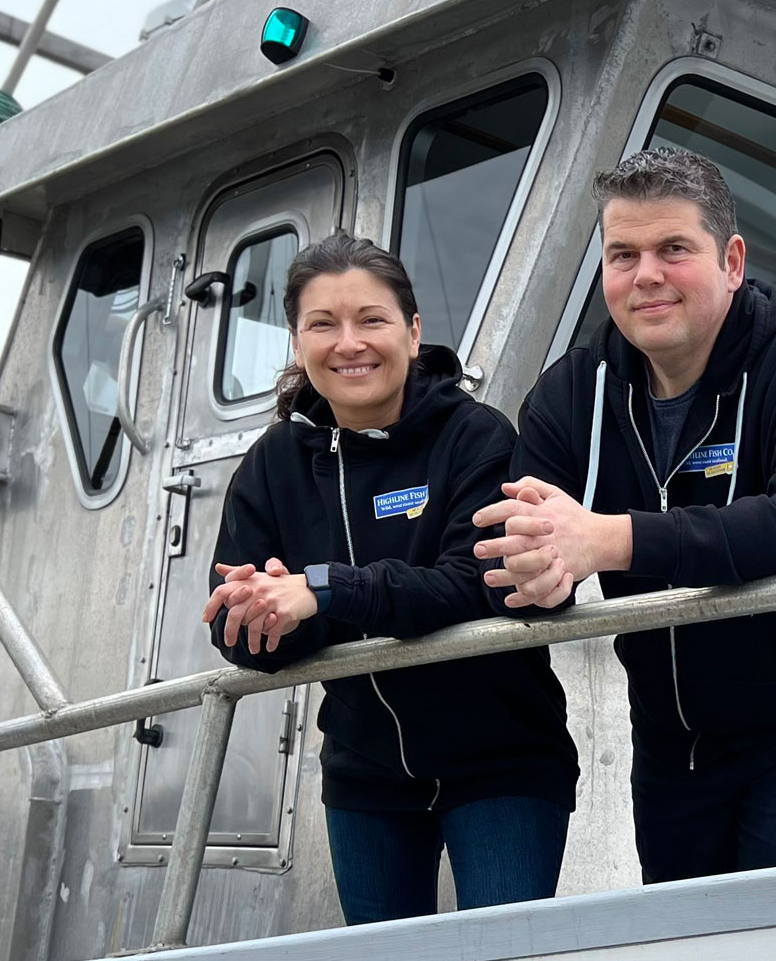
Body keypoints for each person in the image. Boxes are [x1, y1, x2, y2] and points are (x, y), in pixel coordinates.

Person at [472, 148, 776, 881]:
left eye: (674, 249)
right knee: (690, 955)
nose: (646, 274)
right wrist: (533, 576)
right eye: (623, 254)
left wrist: (610, 540)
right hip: (679, 732)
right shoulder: (573, 396)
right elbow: (510, 552)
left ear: (731, 261)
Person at [203, 233, 576, 922]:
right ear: (297, 341)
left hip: (502, 766)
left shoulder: (475, 436)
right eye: (323, 324)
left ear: (412, 332)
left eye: (371, 320)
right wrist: (262, 615)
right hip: (365, 778)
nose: (349, 343)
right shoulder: (274, 463)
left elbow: (477, 584)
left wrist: (321, 590)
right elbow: (241, 637)